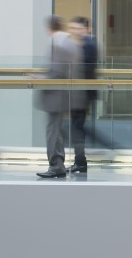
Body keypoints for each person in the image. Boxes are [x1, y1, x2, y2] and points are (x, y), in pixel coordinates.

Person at [67, 16, 112, 173]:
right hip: (80, 92)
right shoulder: (84, 44)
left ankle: (105, 146)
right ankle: (81, 161)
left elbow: (82, 67)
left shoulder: (89, 45)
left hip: (84, 92)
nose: (75, 32)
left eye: (78, 28)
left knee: (76, 127)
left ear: (87, 29)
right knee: (77, 127)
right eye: (72, 28)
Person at [36, 15, 78, 178]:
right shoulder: (68, 42)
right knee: (57, 130)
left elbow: (57, 73)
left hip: (56, 95)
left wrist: (40, 79)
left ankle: (56, 166)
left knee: (53, 131)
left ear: (50, 28)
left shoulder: (58, 43)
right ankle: (58, 164)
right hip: (63, 94)